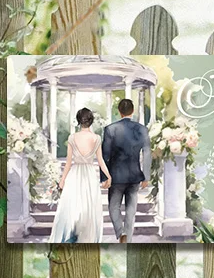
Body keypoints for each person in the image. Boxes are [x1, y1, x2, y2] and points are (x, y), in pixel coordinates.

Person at [49, 107, 111, 244]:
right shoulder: (96, 138)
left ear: (79, 121)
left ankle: (70, 237)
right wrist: (108, 176)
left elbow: (68, 162)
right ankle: (87, 239)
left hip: (75, 174)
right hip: (89, 175)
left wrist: (62, 180)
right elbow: (100, 161)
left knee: (72, 206)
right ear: (91, 121)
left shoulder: (72, 137)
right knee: (88, 208)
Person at [102, 98, 152, 243]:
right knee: (131, 209)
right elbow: (147, 152)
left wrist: (104, 177)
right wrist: (146, 175)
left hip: (116, 175)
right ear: (133, 111)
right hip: (135, 174)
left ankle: (120, 232)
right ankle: (128, 240)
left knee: (113, 207)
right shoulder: (142, 129)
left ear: (119, 112)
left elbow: (105, 155)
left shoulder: (110, 129)